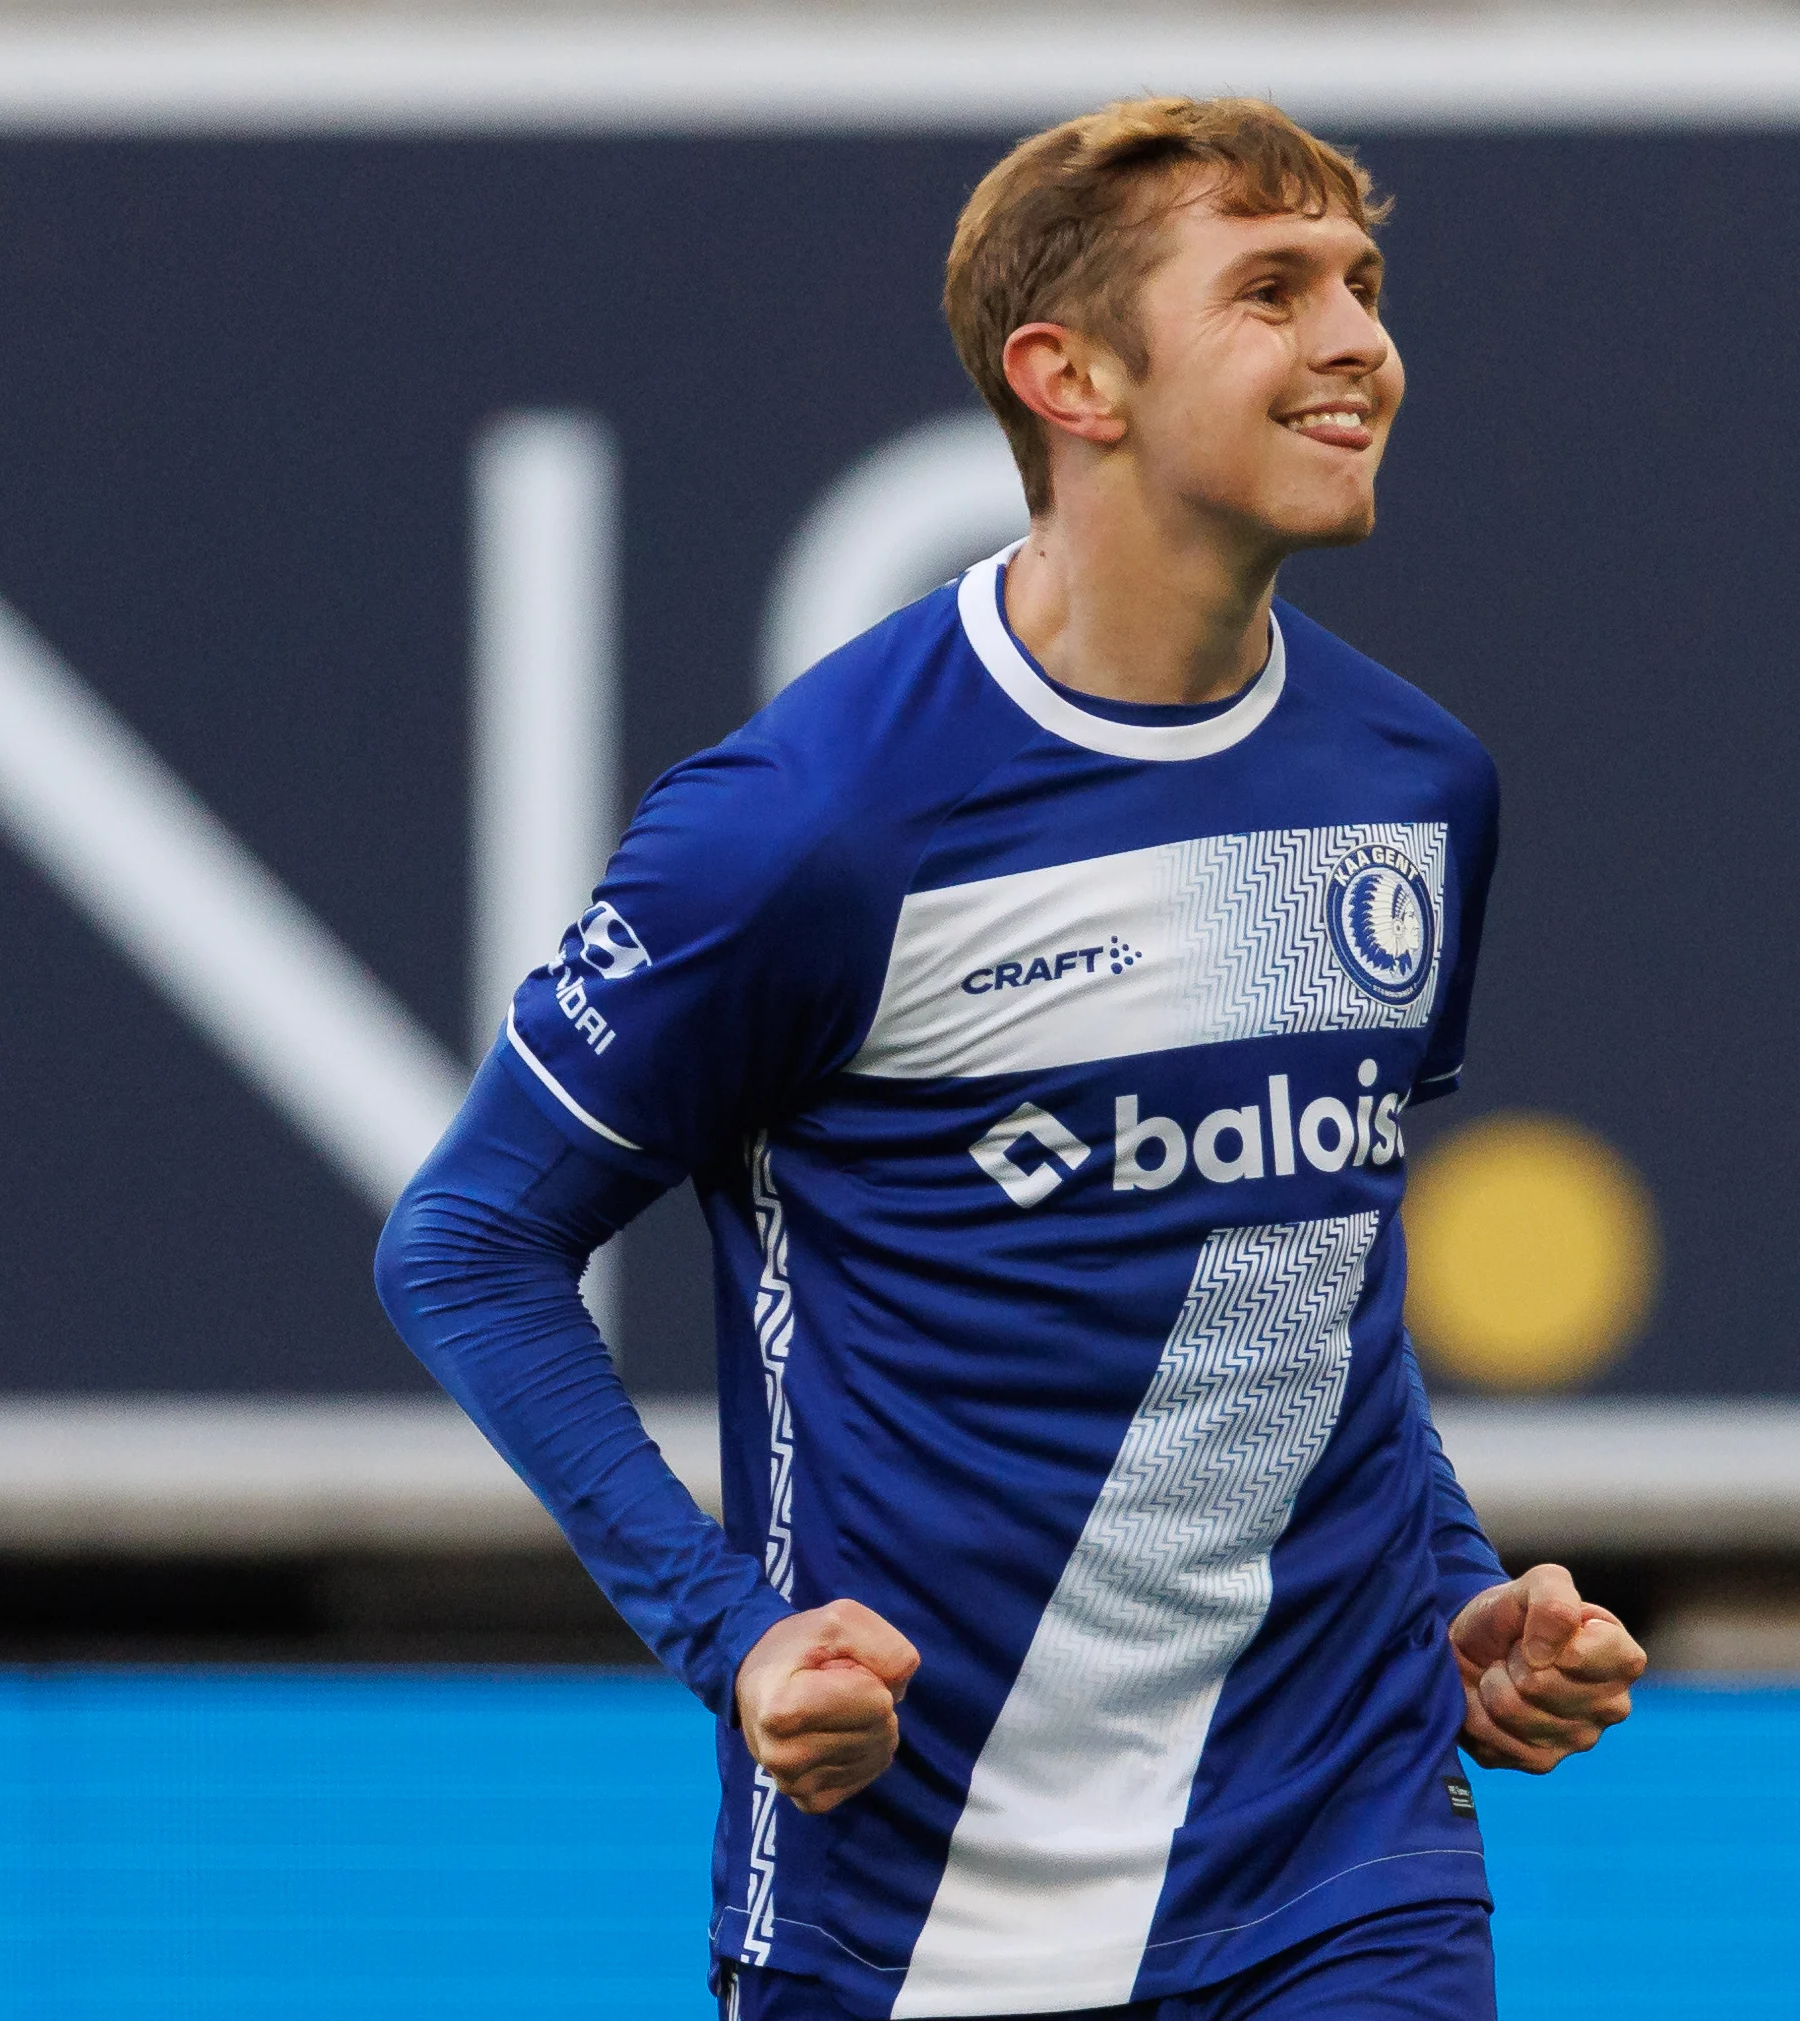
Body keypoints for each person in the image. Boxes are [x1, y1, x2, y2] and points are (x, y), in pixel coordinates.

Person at [375, 95, 1646, 2021]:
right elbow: (463, 1245)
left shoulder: (1420, 785)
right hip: (916, 1901)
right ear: (1071, 378)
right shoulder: (813, 825)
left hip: (1345, 1860)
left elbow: (1304, 1283)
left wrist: (1456, 1587)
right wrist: (734, 1639)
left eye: (1364, 287)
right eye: (1271, 291)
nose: (1357, 342)